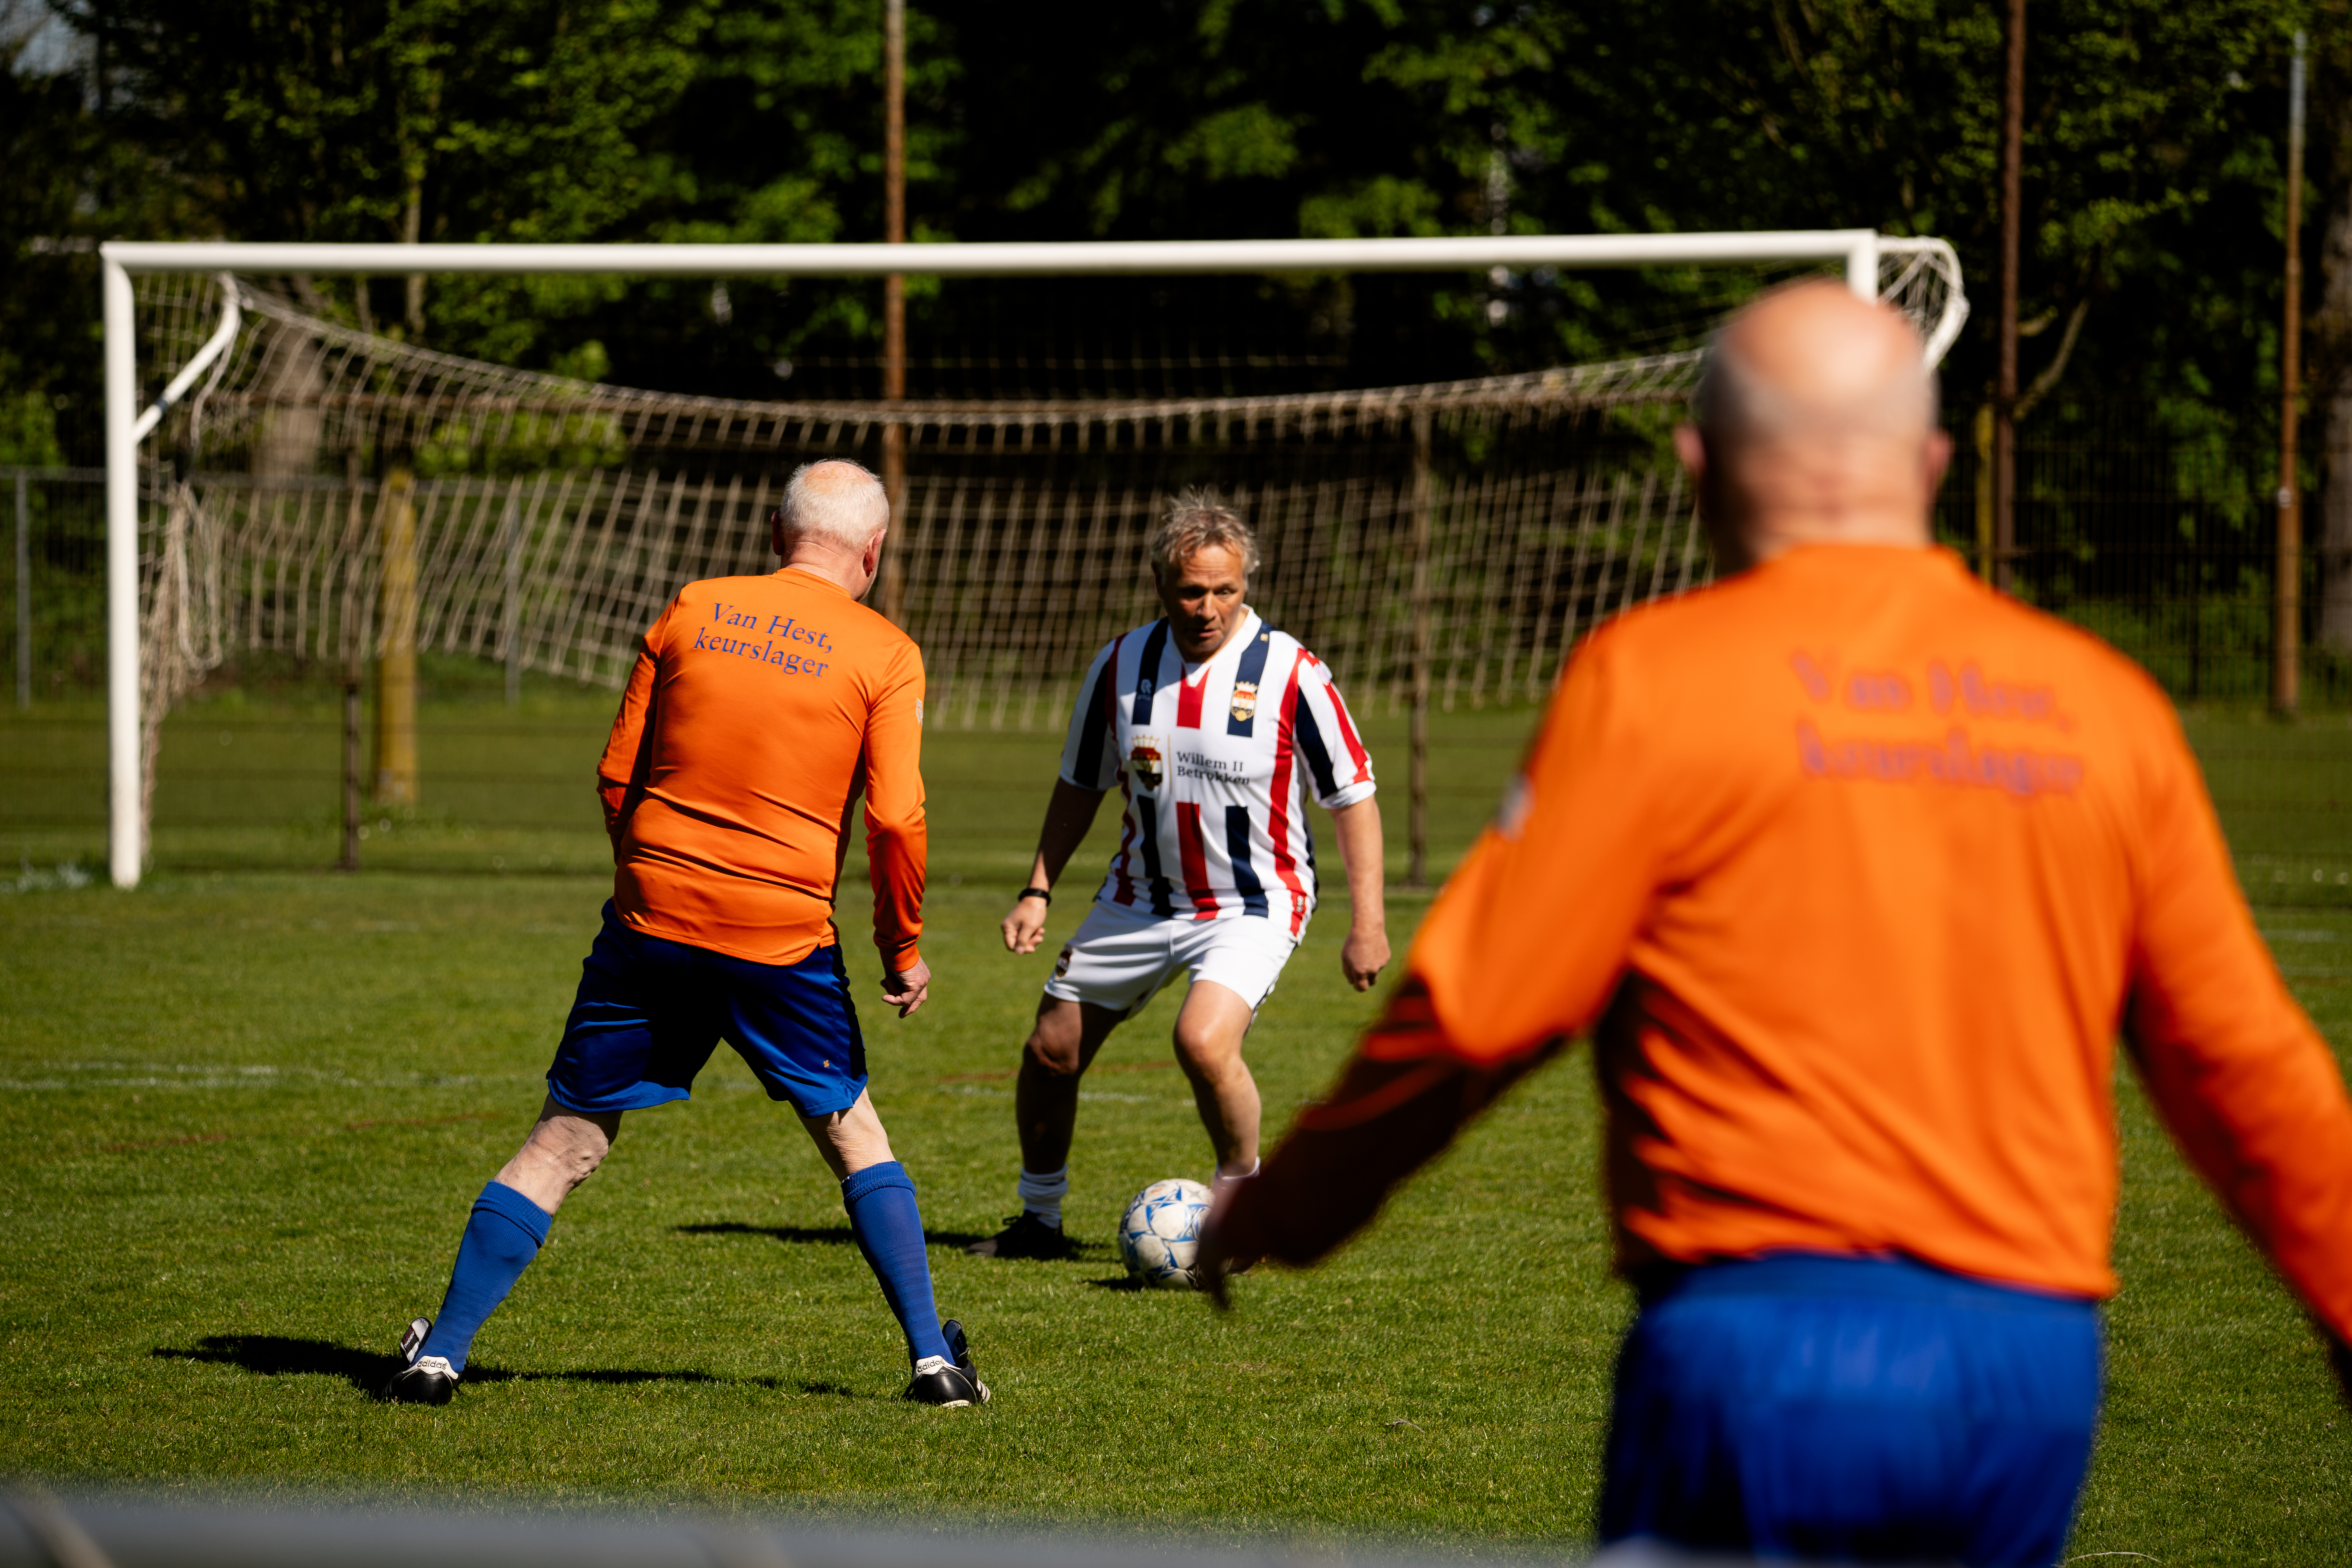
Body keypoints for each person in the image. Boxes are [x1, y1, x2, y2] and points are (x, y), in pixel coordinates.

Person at [1204, 281, 2352, 1564]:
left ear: (1695, 467)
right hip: (2032, 1370)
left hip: (1762, 1350)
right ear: (1931, 461)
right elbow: (2244, 1067)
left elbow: (1477, 1013)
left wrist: (1283, 1208)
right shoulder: (2105, 710)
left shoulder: (1655, 682)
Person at [382, 459, 989, 1409]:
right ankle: (933, 1362)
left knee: (567, 1137)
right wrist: (900, 949)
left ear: (773, 530)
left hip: (653, 917)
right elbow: (898, 818)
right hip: (781, 932)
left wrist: (652, 879)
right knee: (848, 1127)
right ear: (873, 553)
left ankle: (438, 1355)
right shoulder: (886, 651)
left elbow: (617, 775)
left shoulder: (694, 606)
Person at [966, 491, 1392, 1260]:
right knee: (1051, 1048)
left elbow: (1353, 797)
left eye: (1225, 590)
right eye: (1192, 590)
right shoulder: (1121, 664)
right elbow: (1080, 784)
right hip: (1140, 898)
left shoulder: (1292, 672)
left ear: (1247, 583)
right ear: (1162, 584)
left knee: (1201, 1039)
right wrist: (1038, 887)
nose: (1208, 607)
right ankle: (1039, 1221)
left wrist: (1369, 923)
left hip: (1254, 903)